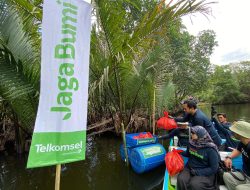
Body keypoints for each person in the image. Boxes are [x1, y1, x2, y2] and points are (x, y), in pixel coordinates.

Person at [177, 126, 220, 190]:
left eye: (193, 133)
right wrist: (178, 152)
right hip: (190, 168)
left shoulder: (210, 149)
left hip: (205, 171)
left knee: (194, 184)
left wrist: (197, 172)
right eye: (191, 132)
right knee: (181, 179)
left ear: (200, 134)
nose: (191, 134)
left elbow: (214, 168)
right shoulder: (191, 143)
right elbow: (188, 154)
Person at [223, 121, 250, 190]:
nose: (232, 132)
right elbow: (238, 150)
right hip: (245, 174)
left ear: (240, 133)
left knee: (239, 188)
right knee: (226, 176)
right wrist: (229, 157)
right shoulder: (243, 142)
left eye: (234, 131)